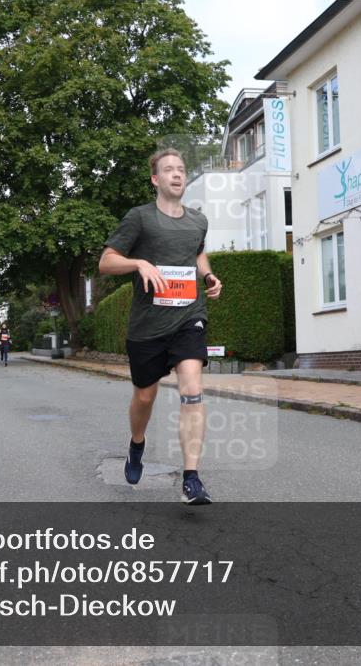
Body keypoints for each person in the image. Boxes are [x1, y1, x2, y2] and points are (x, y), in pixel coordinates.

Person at [98, 147, 223, 505]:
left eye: (181, 169)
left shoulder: (198, 220)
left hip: (189, 316)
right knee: (145, 396)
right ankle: (137, 444)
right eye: (169, 169)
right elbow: (107, 261)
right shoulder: (140, 218)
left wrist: (209, 275)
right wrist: (138, 263)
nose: (177, 174)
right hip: (148, 325)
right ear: (156, 179)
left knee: (192, 390)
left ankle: (192, 479)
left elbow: (197, 251)